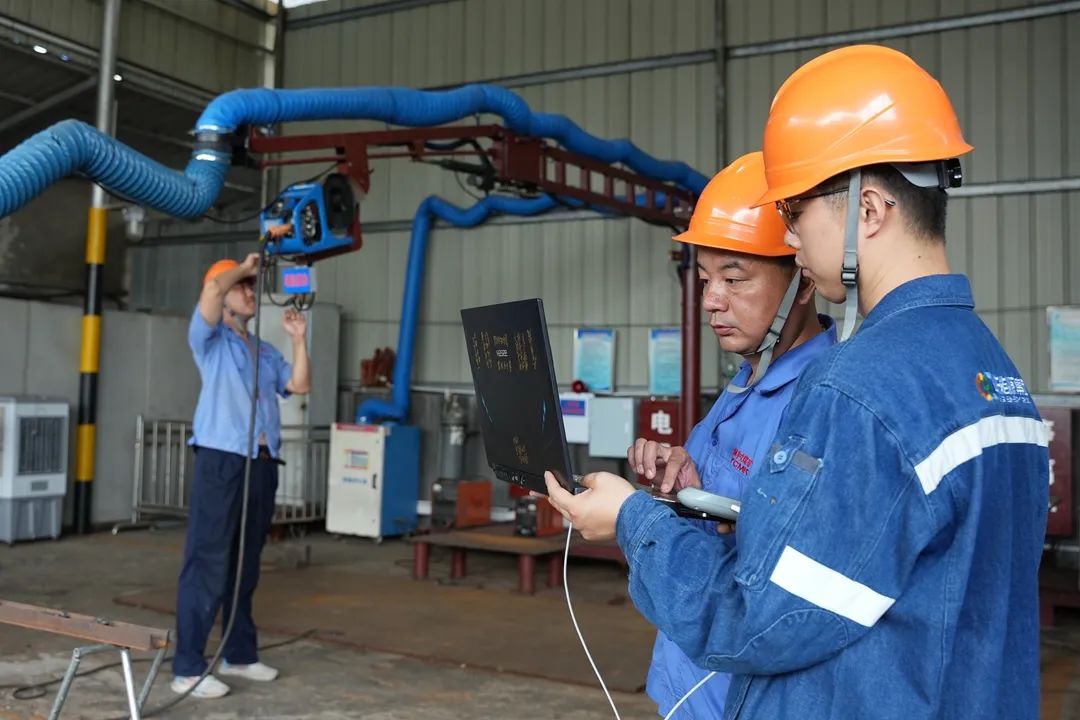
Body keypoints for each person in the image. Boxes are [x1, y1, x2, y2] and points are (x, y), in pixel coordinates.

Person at [543, 45, 1049, 719]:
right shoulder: (994, 372)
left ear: (869, 209)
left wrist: (633, 521)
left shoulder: (858, 388)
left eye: (795, 209)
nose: (789, 236)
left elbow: (759, 619)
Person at [628, 151, 836, 718]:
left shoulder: (818, 404)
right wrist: (682, 484)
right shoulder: (747, 380)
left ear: (803, 281)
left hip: (740, 699)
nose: (711, 301)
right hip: (687, 685)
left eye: (734, 279)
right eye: (704, 279)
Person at [171, 252, 311, 699]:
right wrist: (246, 267)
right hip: (222, 460)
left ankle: (239, 654)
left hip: (261, 463)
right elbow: (213, 288)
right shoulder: (209, 340)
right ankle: (188, 667)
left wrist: (299, 340)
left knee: (244, 564)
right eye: (243, 287)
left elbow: (299, 385)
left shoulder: (263, 350)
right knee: (207, 562)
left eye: (252, 286)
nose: (251, 292)